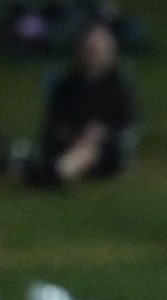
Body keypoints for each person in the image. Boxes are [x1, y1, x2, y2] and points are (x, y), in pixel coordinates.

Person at [23, 21, 137, 188]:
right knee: (77, 148)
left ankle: (55, 173)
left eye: (99, 50)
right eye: (90, 49)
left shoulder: (117, 86)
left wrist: (101, 132)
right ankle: (52, 172)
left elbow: (126, 122)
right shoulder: (66, 85)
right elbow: (55, 122)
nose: (94, 54)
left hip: (105, 147)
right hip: (68, 141)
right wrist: (74, 133)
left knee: (87, 150)